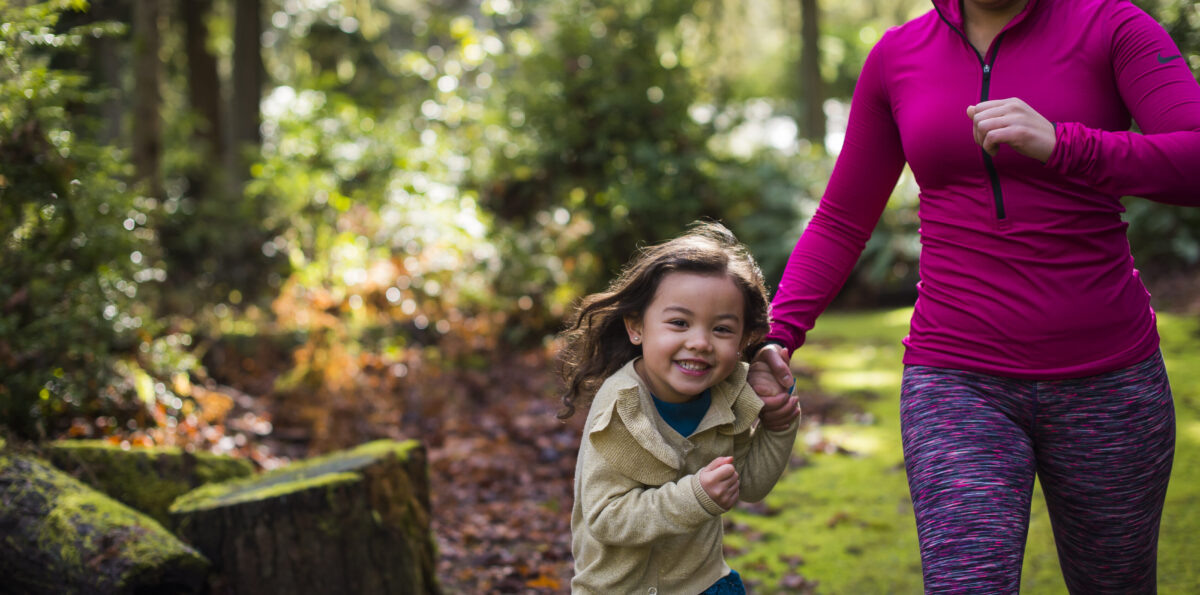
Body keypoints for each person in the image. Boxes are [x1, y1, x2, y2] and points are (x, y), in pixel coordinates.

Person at [749, 0, 1200, 592]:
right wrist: (780, 333)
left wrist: (1065, 144)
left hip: (1108, 379)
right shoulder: (897, 56)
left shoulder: (1111, 25)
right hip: (956, 378)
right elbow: (841, 218)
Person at [558, 222, 801, 594]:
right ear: (636, 326)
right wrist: (695, 497)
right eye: (679, 323)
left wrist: (778, 427)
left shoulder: (730, 389)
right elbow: (607, 518)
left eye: (721, 329)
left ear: (742, 340)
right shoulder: (622, 407)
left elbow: (749, 485)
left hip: (703, 583)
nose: (700, 342)